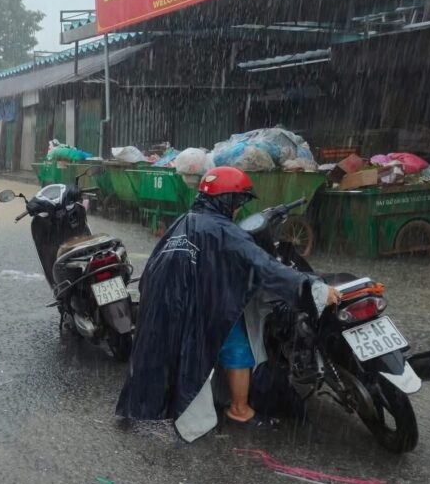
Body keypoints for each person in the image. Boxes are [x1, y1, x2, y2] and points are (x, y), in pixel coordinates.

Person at [116, 166, 340, 441]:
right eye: (238, 202)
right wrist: (313, 290)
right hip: (197, 305)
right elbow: (264, 266)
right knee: (237, 345)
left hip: (161, 304)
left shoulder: (184, 221)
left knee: (165, 356)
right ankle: (239, 410)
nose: (238, 209)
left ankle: (147, 404)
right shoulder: (224, 231)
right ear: (228, 200)